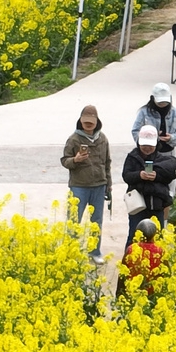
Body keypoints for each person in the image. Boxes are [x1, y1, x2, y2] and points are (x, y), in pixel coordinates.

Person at [60, 104, 111, 259]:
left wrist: (108, 185)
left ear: (97, 122)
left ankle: (95, 251)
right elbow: (64, 161)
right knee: (74, 220)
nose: (88, 124)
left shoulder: (102, 138)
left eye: (91, 121)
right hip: (79, 186)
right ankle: (71, 252)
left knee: (97, 221)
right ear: (80, 121)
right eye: (85, 121)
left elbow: (107, 162)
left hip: (99, 185)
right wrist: (75, 160)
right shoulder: (73, 139)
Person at [122, 123, 176, 240]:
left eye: (150, 145)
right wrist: (140, 175)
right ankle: (130, 258)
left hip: (157, 206)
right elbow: (126, 176)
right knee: (134, 236)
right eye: (144, 144)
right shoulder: (132, 157)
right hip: (138, 207)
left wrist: (157, 175)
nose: (147, 148)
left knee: (157, 237)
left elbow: (175, 170)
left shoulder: (163, 159)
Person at [132, 83, 176, 151]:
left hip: (168, 152)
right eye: (160, 102)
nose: (163, 104)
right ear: (152, 98)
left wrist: (171, 138)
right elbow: (135, 131)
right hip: (149, 152)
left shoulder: (175, 113)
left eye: (165, 102)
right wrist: (150, 137)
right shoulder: (144, 112)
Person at [120, 217, 165, 294]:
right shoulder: (160, 251)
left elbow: (123, 272)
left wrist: (119, 292)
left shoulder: (131, 249)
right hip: (153, 292)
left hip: (133, 290)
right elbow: (165, 273)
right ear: (155, 234)